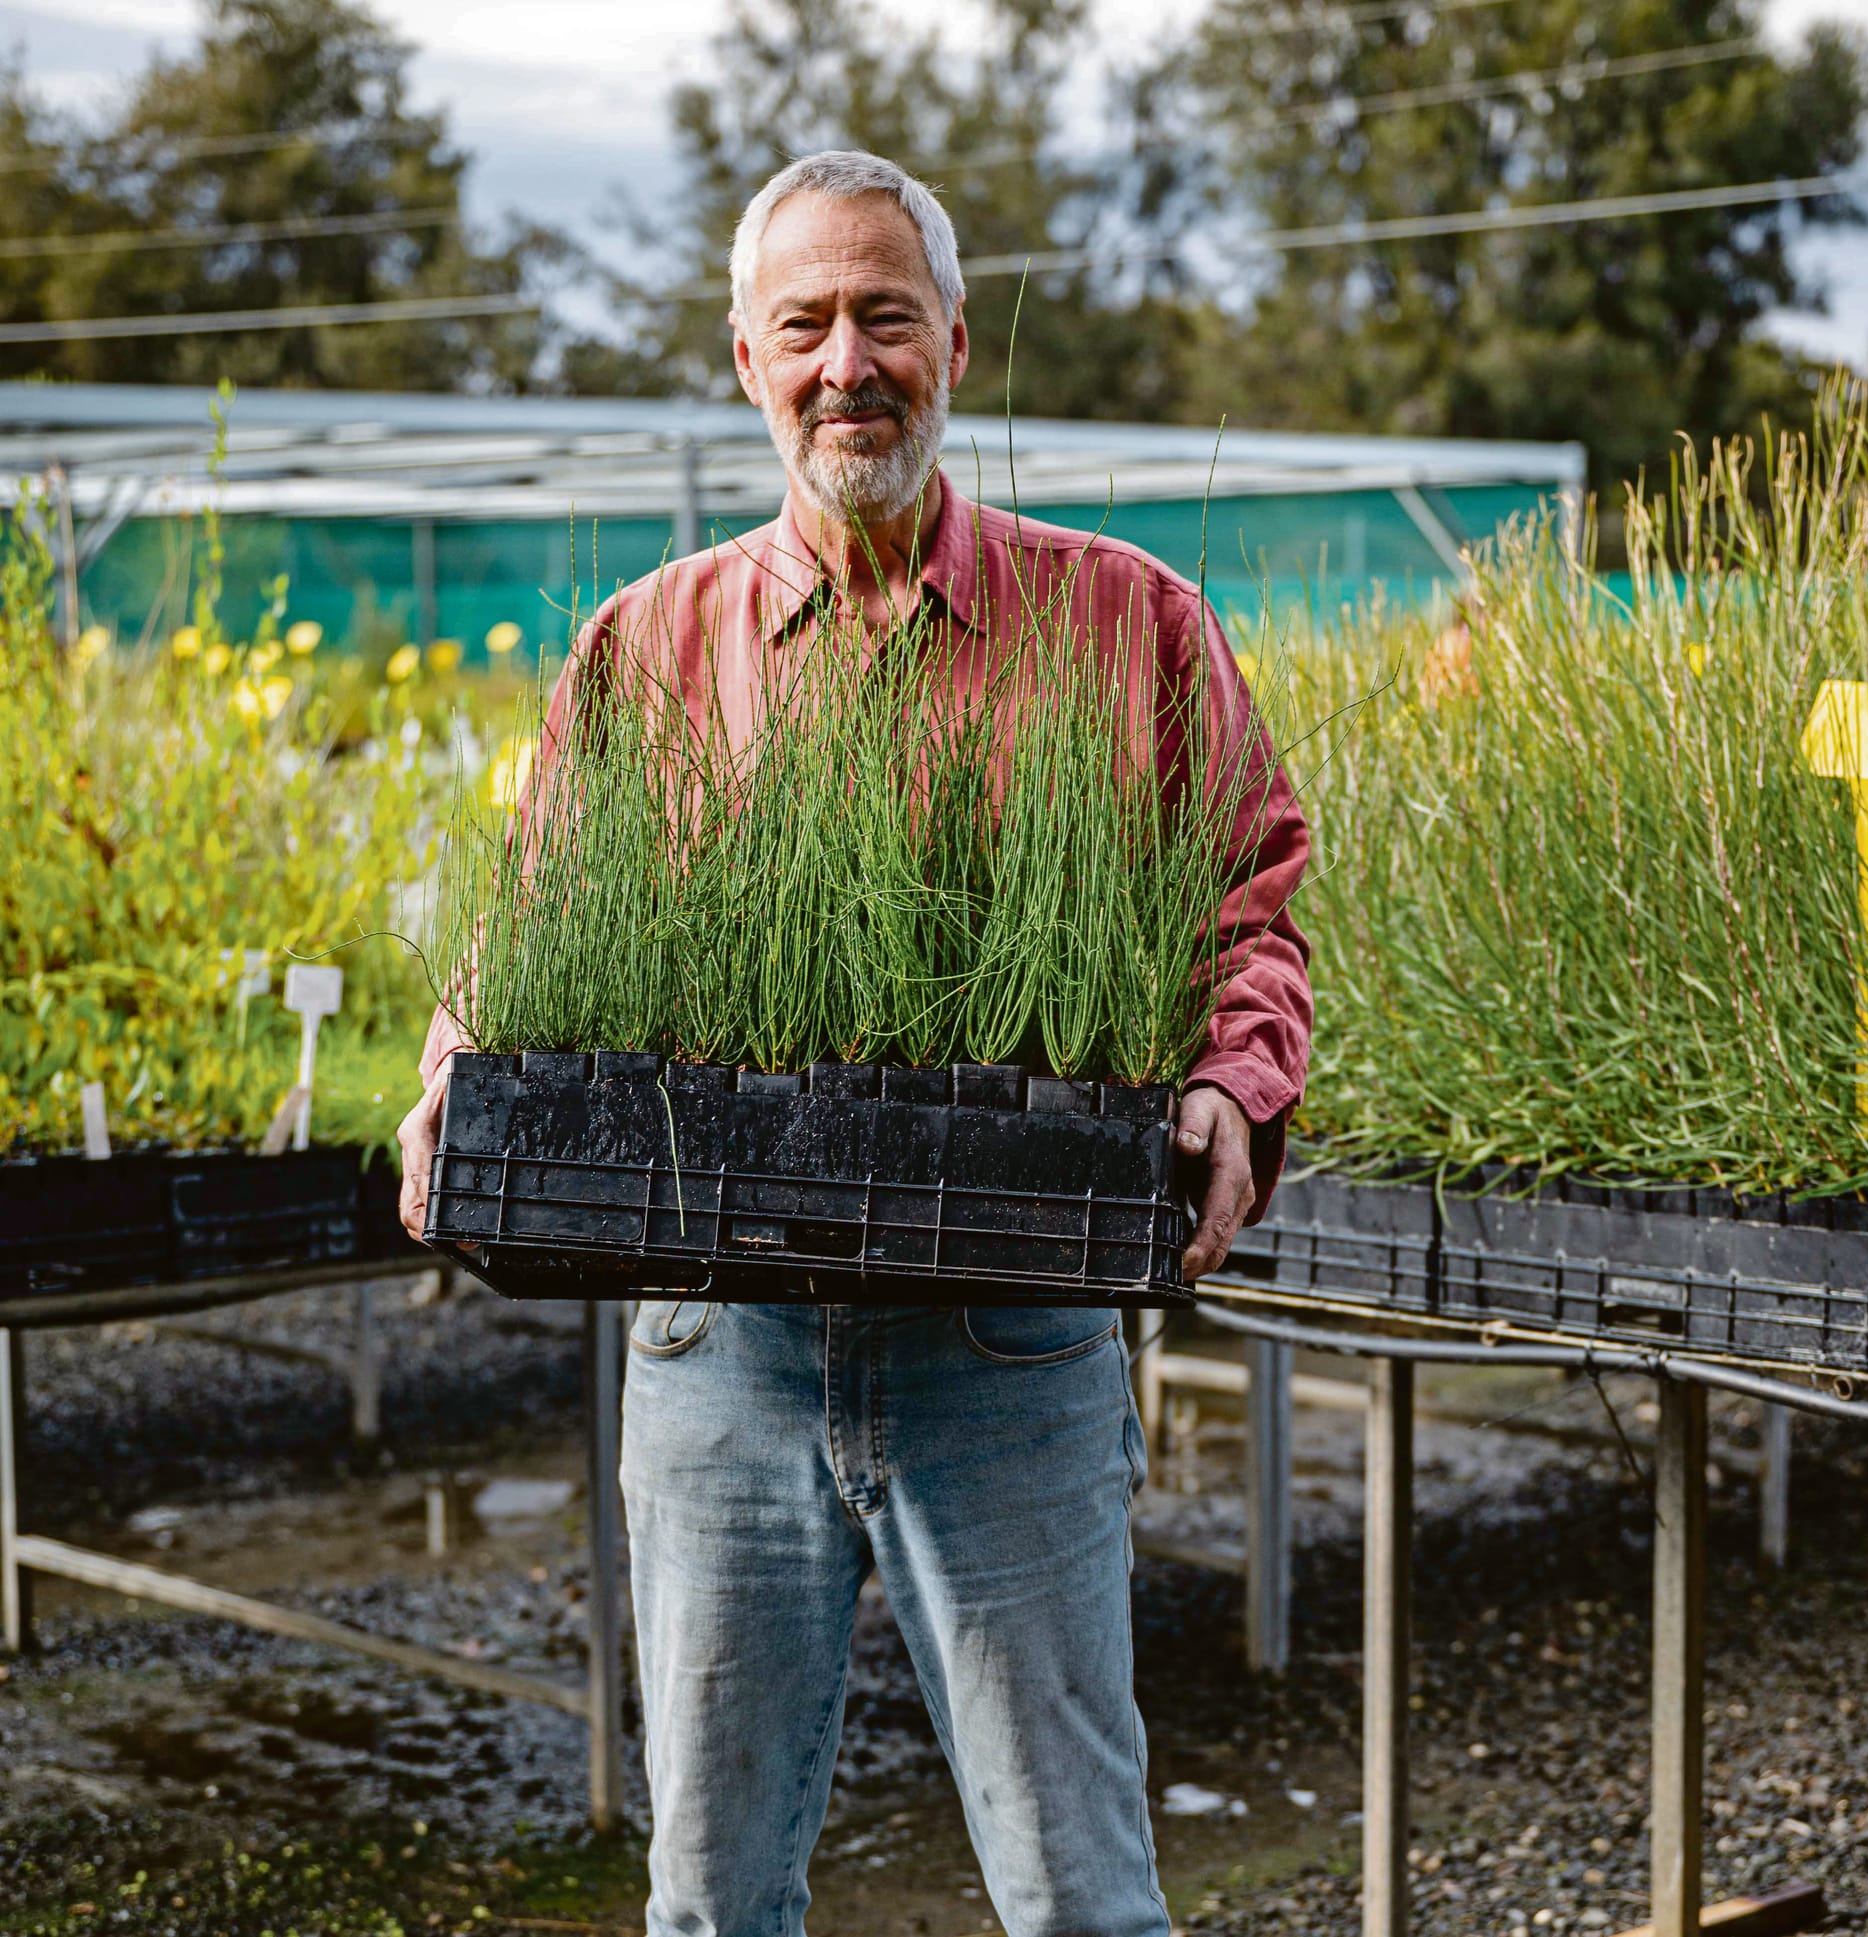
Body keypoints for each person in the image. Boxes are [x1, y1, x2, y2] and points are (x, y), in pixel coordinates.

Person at [397, 150, 1312, 1937]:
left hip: (1013, 1323)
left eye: (885, 316)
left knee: (1081, 1893)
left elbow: (1250, 896)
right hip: (716, 1337)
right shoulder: (645, 645)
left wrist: (1227, 1074)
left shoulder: (1124, 622)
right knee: (715, 1896)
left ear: (955, 342)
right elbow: (530, 925)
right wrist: (458, 1069)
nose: (848, 362)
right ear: (745, 356)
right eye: (804, 323)